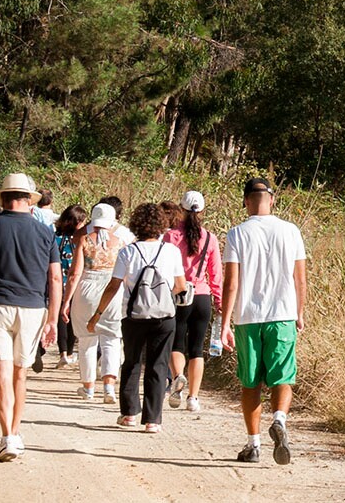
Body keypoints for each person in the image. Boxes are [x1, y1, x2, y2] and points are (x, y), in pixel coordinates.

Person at [0, 173, 61, 462]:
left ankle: (7, 437)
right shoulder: (45, 233)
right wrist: (53, 318)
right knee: (21, 373)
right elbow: (54, 277)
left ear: (3, 199)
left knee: (1, 372)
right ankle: (15, 434)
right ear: (29, 200)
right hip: (32, 308)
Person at [220, 177, 307, 465]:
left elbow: (231, 283)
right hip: (283, 313)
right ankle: (280, 419)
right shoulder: (291, 231)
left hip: (248, 317)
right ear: (272, 200)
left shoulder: (236, 233)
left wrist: (224, 324)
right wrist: (300, 312)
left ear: (246, 201)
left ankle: (253, 444)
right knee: (282, 375)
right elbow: (300, 278)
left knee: (250, 382)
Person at [88, 202, 186, 433]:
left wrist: (98, 313)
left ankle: (130, 413)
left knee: (132, 362)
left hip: (133, 316)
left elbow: (114, 285)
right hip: (165, 316)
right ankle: (153, 420)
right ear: (161, 225)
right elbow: (180, 285)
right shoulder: (171, 251)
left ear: (136, 225)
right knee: (158, 365)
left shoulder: (128, 251)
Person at [163, 189, 222, 412]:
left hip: (178, 295)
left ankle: (178, 377)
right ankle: (193, 398)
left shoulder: (171, 236)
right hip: (202, 295)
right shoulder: (210, 238)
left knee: (176, 343)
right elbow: (216, 273)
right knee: (197, 349)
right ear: (202, 211)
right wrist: (219, 301)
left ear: (181, 209)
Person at [64, 203, 124, 403]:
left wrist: (66, 301)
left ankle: (88, 387)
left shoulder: (83, 239)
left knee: (86, 340)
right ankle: (109, 387)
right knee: (111, 339)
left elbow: (74, 274)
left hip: (87, 287)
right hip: (113, 289)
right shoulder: (121, 241)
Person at [52, 205, 86, 368]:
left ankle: (63, 352)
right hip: (76, 283)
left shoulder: (55, 237)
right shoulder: (81, 239)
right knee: (72, 317)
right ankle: (70, 353)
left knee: (61, 317)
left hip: (57, 282)